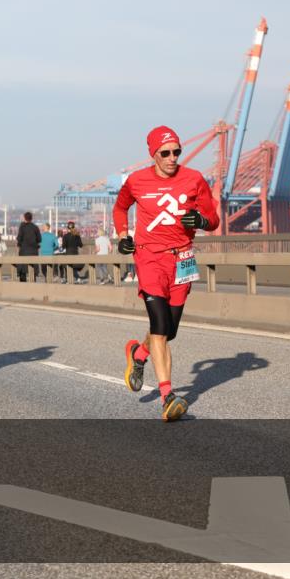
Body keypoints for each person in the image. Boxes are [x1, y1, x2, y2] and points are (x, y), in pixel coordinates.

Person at [113, 125, 219, 422]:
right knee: (159, 325)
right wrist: (123, 234)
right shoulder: (136, 181)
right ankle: (167, 396)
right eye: (165, 153)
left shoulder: (194, 179)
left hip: (183, 259)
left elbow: (213, 219)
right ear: (153, 154)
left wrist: (200, 218)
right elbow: (120, 209)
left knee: (169, 331)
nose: (172, 158)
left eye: (176, 152)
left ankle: (138, 355)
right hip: (149, 257)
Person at [15, 212, 40, 282]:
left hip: (24, 252)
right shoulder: (35, 227)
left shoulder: (22, 227)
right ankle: (33, 283)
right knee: (33, 270)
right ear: (31, 218)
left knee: (22, 270)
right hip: (34, 252)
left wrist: (18, 247)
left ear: (24, 218)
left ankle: (23, 286)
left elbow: (19, 239)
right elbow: (39, 239)